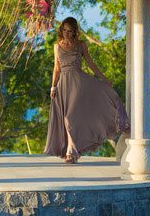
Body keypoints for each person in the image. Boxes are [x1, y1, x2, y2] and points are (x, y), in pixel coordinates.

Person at [44, 17, 130, 164]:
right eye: (64, 30)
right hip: (63, 85)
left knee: (69, 118)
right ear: (61, 30)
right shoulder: (57, 46)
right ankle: (70, 153)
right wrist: (53, 86)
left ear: (74, 31)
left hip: (78, 84)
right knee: (66, 119)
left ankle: (72, 152)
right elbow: (56, 69)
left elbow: (91, 64)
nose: (66, 33)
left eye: (69, 31)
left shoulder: (81, 45)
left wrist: (104, 79)